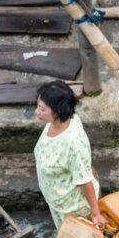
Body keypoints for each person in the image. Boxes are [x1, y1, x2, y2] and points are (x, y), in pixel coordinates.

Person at [33, 80, 107, 230]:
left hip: (72, 208)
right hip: (57, 202)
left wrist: (95, 212)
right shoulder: (59, 121)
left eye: (42, 109)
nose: (37, 112)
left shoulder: (72, 143)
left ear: (57, 111)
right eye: (37, 107)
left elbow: (84, 181)